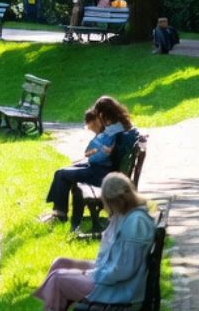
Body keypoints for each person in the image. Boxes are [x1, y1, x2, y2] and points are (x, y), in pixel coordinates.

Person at [27, 172, 155, 311]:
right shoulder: (127, 214)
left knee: (57, 278)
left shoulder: (135, 223)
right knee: (60, 263)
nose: (106, 208)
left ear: (118, 199)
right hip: (111, 274)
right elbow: (115, 257)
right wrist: (92, 269)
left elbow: (124, 270)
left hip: (120, 288)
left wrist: (91, 273)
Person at [42, 95, 134, 224]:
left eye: (98, 115)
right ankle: (58, 212)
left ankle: (60, 214)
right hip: (105, 169)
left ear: (103, 114)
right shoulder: (121, 126)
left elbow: (103, 154)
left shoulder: (114, 131)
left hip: (103, 174)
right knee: (62, 172)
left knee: (61, 174)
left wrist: (93, 156)